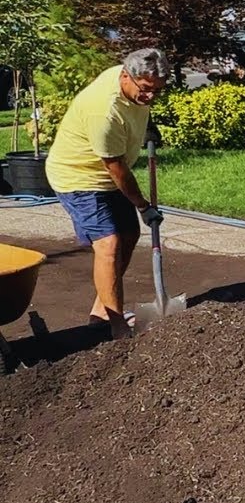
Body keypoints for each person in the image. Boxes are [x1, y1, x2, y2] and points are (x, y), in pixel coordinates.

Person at [45, 49, 170, 340]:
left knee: (129, 235)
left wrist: (145, 129)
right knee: (109, 244)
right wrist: (142, 206)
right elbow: (115, 168)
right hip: (78, 176)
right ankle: (115, 326)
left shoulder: (133, 83)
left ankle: (101, 312)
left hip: (108, 174)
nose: (151, 97)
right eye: (147, 90)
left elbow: (133, 121)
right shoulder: (104, 109)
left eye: (158, 92)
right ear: (126, 76)